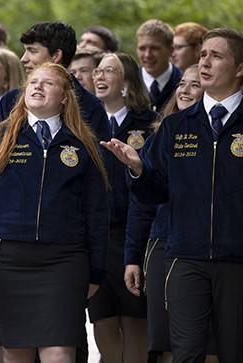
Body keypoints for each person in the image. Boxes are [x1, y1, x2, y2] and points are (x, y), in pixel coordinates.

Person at [102, 28, 243, 362]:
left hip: (238, 261)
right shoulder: (175, 126)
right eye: (203, 54)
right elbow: (154, 194)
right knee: (186, 353)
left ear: (239, 69)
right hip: (184, 258)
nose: (205, 62)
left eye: (217, 56)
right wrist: (138, 170)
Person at [0, 62, 109, 363]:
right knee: (16, 355)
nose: (38, 86)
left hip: (64, 262)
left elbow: (97, 214)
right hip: (8, 260)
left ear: (65, 96)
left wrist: (96, 271)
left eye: (49, 83)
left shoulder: (83, 145)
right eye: (33, 82)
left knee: (60, 354)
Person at [124, 64, 218, 363]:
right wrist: (132, 258)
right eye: (182, 84)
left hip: (213, 251)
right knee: (168, 342)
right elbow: (141, 207)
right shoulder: (161, 136)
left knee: (214, 342)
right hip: (163, 245)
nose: (185, 90)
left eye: (194, 84)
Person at [88, 52, 157, 363]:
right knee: (101, 319)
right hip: (96, 236)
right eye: (97, 71)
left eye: (109, 71)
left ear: (127, 81)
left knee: (134, 320)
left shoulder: (150, 124)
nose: (99, 77)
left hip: (134, 236)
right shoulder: (86, 123)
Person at [0, 21, 110, 142]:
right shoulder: (10, 101)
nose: (23, 59)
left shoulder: (91, 107)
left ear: (56, 56)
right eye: (25, 51)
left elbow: (99, 158)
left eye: (33, 51)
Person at [136, 19, 182, 112]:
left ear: (171, 50)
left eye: (154, 48)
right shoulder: (128, 84)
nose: (147, 55)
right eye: (142, 48)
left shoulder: (183, 85)